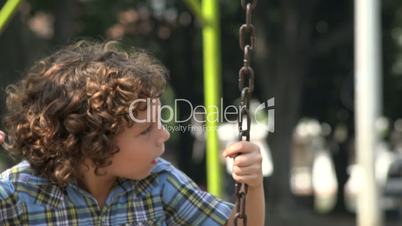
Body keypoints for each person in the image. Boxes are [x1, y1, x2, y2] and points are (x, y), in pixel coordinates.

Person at [0, 41, 265, 225]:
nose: (164, 135)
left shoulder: (159, 181)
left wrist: (251, 185)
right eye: (146, 130)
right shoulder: (19, 191)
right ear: (94, 141)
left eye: (159, 122)